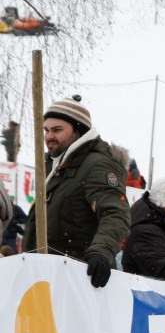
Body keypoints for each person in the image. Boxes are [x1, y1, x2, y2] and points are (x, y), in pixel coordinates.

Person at [23, 96, 129, 288]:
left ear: (78, 131)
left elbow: (114, 213)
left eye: (57, 130)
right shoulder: (51, 165)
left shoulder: (98, 165)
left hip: (79, 278)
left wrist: (100, 252)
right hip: (44, 276)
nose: (49, 136)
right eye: (46, 130)